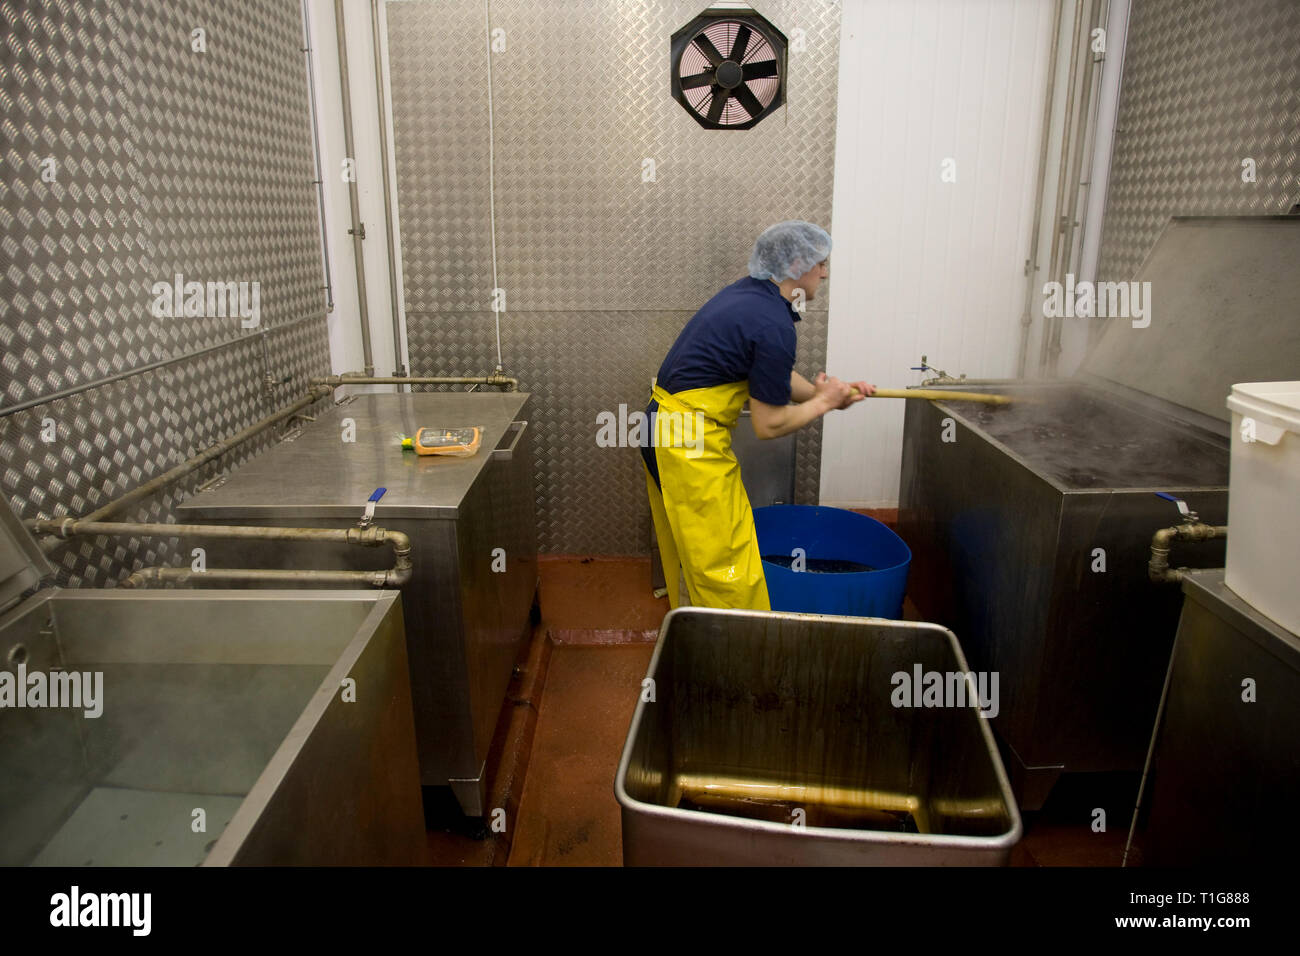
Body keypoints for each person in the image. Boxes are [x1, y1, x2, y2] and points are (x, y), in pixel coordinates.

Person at [641, 220, 876, 610]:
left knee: (692, 547)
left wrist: (824, 392)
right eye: (821, 262)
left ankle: (695, 632)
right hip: (686, 444)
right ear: (796, 264)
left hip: (663, 427)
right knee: (725, 560)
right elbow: (769, 425)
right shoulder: (773, 323)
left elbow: (773, 374)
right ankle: (731, 660)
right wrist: (824, 404)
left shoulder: (752, 297)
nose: (825, 271)